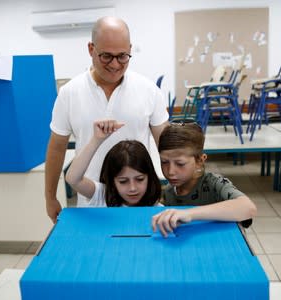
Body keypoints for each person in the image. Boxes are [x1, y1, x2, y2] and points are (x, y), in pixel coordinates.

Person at [45, 16, 169, 222]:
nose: (114, 64)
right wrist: (50, 197)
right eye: (106, 56)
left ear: (130, 48)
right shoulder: (69, 93)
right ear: (91, 49)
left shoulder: (148, 90)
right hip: (93, 199)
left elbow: (166, 145)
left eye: (122, 56)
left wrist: (184, 187)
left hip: (139, 201)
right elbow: (57, 148)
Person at [151, 120, 257, 237]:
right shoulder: (168, 192)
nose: (170, 172)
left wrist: (189, 214)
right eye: (164, 162)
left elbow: (248, 208)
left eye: (180, 164)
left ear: (200, 161)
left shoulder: (214, 184)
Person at [65, 120, 161, 207]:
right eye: (123, 181)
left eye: (140, 179)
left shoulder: (157, 209)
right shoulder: (102, 195)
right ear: (112, 180)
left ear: (149, 177)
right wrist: (96, 140)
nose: (132, 188)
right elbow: (73, 179)